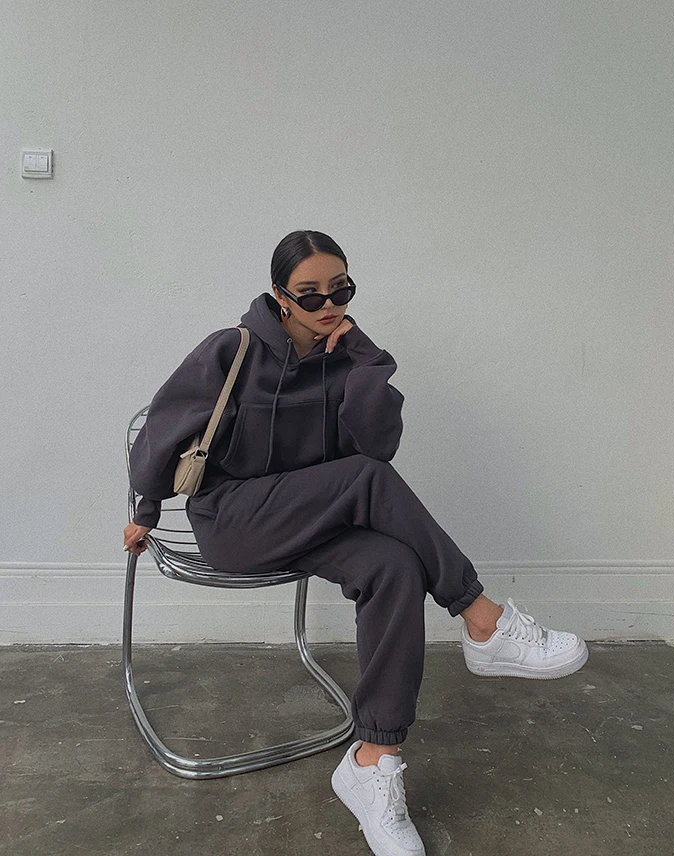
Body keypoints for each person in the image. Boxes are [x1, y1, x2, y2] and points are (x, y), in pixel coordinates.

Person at [123, 230, 589, 856]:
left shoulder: (347, 356)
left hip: (312, 521)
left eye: (340, 289)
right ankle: (483, 619)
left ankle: (373, 760)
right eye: (310, 294)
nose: (329, 305)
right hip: (236, 522)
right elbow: (160, 432)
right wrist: (146, 509)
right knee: (366, 481)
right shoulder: (231, 350)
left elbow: (377, 447)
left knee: (394, 565)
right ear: (279, 296)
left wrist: (366, 364)